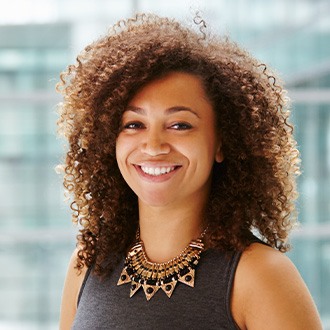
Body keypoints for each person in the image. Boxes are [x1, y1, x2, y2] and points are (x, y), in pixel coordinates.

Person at [57, 13, 322, 329]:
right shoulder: (87, 266)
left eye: (180, 125)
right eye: (134, 125)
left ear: (222, 142)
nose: (153, 146)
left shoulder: (260, 276)